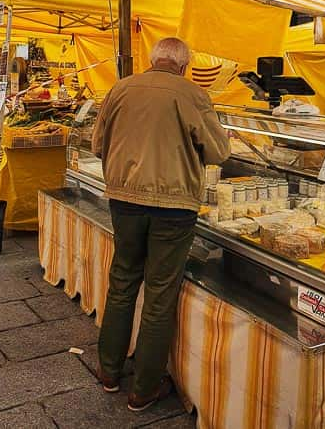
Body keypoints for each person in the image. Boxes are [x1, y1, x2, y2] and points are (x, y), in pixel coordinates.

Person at [92, 37, 230, 412]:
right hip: (173, 205)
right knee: (159, 293)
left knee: (122, 282)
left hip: (124, 199)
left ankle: (108, 371)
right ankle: (144, 388)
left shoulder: (120, 88)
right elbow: (218, 152)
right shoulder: (192, 94)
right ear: (184, 66)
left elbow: (97, 144)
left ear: (152, 60)